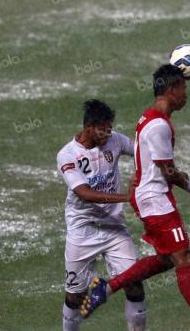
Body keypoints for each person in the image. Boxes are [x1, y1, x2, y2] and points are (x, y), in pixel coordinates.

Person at [81, 65, 190, 331]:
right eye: (183, 88)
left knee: (169, 258)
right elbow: (167, 172)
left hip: (150, 199)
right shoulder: (158, 125)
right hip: (156, 200)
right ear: (171, 90)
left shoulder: (150, 118)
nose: (186, 94)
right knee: (185, 259)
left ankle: (107, 287)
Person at [56, 99, 146, 331]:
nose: (108, 132)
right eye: (103, 128)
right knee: (75, 296)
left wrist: (139, 172)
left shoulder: (114, 139)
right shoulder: (67, 155)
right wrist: (127, 197)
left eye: (110, 127)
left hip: (114, 228)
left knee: (134, 283)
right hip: (82, 230)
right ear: (88, 127)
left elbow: (141, 151)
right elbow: (85, 193)